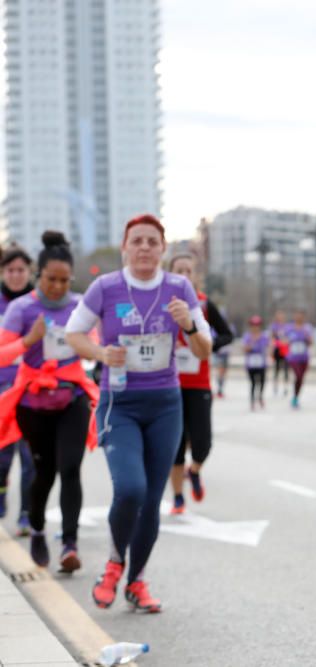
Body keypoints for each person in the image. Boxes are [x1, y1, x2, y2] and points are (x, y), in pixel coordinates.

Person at [65, 214, 212, 613]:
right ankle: (114, 563)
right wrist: (99, 353)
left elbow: (205, 350)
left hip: (166, 405)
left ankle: (136, 580)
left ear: (163, 249)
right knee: (130, 489)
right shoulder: (105, 288)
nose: (145, 247)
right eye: (137, 241)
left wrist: (189, 326)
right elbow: (72, 335)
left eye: (152, 241)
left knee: (151, 499)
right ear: (125, 247)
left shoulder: (180, 288)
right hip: (120, 403)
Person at [0, 231, 99, 572]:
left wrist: (88, 345)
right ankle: (39, 529)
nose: (56, 286)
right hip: (33, 403)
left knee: (71, 469)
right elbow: (1, 356)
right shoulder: (22, 308)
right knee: (44, 474)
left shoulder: (80, 306)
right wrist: (30, 339)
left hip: (71, 397)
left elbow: (94, 347)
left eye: (63, 280)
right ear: (38, 276)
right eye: (49, 279)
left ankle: (70, 544)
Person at [166, 254, 233, 516]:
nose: (183, 274)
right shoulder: (161, 303)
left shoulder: (204, 304)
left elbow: (227, 334)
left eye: (188, 270)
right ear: (170, 273)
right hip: (169, 384)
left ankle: (194, 471)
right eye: (178, 269)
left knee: (203, 443)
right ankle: (178, 497)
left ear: (196, 275)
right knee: (176, 444)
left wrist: (207, 346)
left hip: (200, 383)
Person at [0, 245, 36, 536]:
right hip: (1, 389)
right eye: (10, 270)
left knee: (30, 457)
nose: (15, 275)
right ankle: (0, 504)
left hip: (31, 388)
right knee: (2, 457)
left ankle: (26, 513)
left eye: (20, 270)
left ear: (30, 272)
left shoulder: (39, 303)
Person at [285, 309, 313, 409]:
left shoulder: (307, 328)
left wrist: (307, 337)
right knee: (298, 375)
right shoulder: (289, 328)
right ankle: (295, 396)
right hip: (293, 357)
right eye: (297, 315)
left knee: (301, 378)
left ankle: (296, 396)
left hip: (304, 357)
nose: (299, 317)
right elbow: (284, 340)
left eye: (301, 315)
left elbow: (311, 342)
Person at [243, 316, 270, 410]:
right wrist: (251, 345)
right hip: (251, 363)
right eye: (253, 325)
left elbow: (268, 346)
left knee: (262, 381)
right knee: (253, 383)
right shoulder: (247, 336)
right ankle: (252, 401)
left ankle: (260, 396)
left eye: (257, 325)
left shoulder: (263, 336)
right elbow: (245, 348)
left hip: (261, 363)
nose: (255, 327)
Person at [270, 310, 290, 396]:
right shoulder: (274, 326)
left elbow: (289, 337)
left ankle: (285, 386)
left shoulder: (287, 327)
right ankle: (275, 385)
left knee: (286, 369)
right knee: (277, 368)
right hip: (278, 349)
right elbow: (272, 338)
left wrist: (286, 341)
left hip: (285, 349)